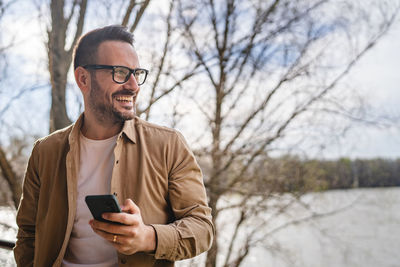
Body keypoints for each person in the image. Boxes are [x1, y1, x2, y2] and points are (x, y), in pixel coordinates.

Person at [14, 25, 214, 267]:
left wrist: (147, 237)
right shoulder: (44, 151)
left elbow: (202, 228)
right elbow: (28, 233)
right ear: (83, 78)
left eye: (136, 73)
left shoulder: (169, 144)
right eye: (120, 72)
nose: (133, 86)